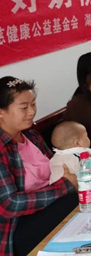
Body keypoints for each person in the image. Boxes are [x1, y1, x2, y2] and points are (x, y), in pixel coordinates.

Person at [0, 76, 78, 256]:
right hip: (17, 228)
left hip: (51, 207)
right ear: (1, 112)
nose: (31, 112)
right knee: (75, 201)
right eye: (23, 107)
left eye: (33, 104)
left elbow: (58, 168)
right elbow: (9, 204)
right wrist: (65, 186)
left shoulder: (32, 136)